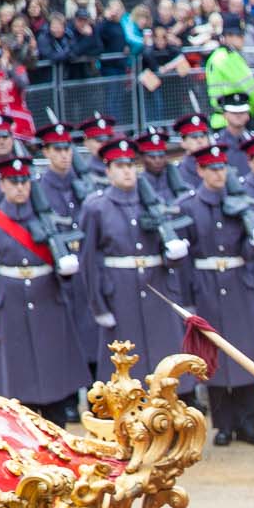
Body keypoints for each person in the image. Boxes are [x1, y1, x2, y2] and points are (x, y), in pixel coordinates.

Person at [0, 153, 85, 426]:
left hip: (48, 300)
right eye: (13, 182)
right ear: (2, 185)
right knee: (17, 384)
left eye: (24, 181)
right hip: (10, 305)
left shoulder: (48, 219)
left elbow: (63, 263)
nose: (20, 187)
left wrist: (68, 268)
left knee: (55, 377)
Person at [177, 144, 254, 446]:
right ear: (201, 171)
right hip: (206, 284)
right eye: (212, 168)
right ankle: (223, 425)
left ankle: (247, 423)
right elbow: (187, 255)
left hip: (238, 283)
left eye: (222, 168)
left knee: (245, 355)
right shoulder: (189, 206)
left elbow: (247, 251)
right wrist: (189, 294)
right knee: (212, 356)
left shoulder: (239, 203)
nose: (219, 174)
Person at [76, 135, 189, 383]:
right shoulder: (97, 207)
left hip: (156, 287)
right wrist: (99, 306)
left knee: (165, 363)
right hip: (120, 292)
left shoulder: (151, 202)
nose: (127, 172)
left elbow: (165, 250)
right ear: (108, 170)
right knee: (126, 368)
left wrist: (173, 255)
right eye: (120, 166)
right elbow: (89, 261)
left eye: (131, 165)